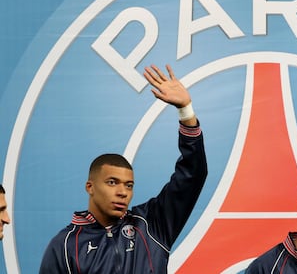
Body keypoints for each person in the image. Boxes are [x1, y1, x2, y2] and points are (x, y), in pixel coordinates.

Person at [39, 65, 208, 274]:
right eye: (112, 182)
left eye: (129, 185)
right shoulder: (64, 246)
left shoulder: (152, 225)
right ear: (89, 187)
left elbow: (193, 174)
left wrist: (186, 111)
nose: (123, 192)